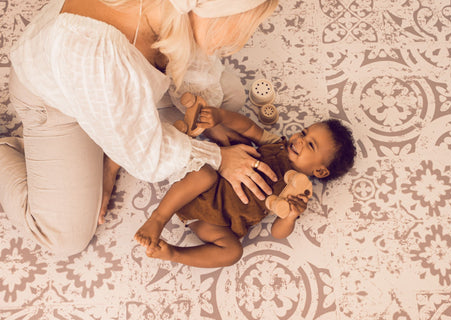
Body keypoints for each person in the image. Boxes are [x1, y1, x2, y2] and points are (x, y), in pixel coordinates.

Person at [0, 0, 279, 256]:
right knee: (64, 237)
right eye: (240, 24)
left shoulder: (172, 13)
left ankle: (110, 149)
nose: (239, 41)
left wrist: (202, 111)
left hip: (109, 91)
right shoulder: (96, 54)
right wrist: (219, 158)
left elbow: (183, 58)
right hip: (55, 106)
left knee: (230, 98)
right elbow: (146, 154)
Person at [134, 107, 357, 267]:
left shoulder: (298, 193)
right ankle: (158, 218)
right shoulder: (276, 143)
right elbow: (250, 128)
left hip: (216, 222)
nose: (299, 139)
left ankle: (174, 253)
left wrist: (289, 217)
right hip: (203, 190)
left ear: (320, 171)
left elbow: (278, 233)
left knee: (233, 252)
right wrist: (222, 116)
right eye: (304, 132)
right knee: (206, 172)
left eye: (310, 145)